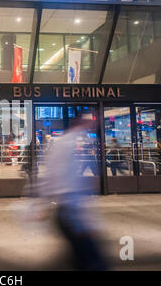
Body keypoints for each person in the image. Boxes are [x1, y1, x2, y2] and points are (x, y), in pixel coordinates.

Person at [37, 116, 108, 271]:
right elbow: (56, 176)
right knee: (92, 261)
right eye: (88, 123)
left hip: (69, 209)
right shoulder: (68, 144)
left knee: (81, 258)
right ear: (79, 124)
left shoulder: (67, 143)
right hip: (70, 210)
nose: (91, 126)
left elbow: (52, 176)